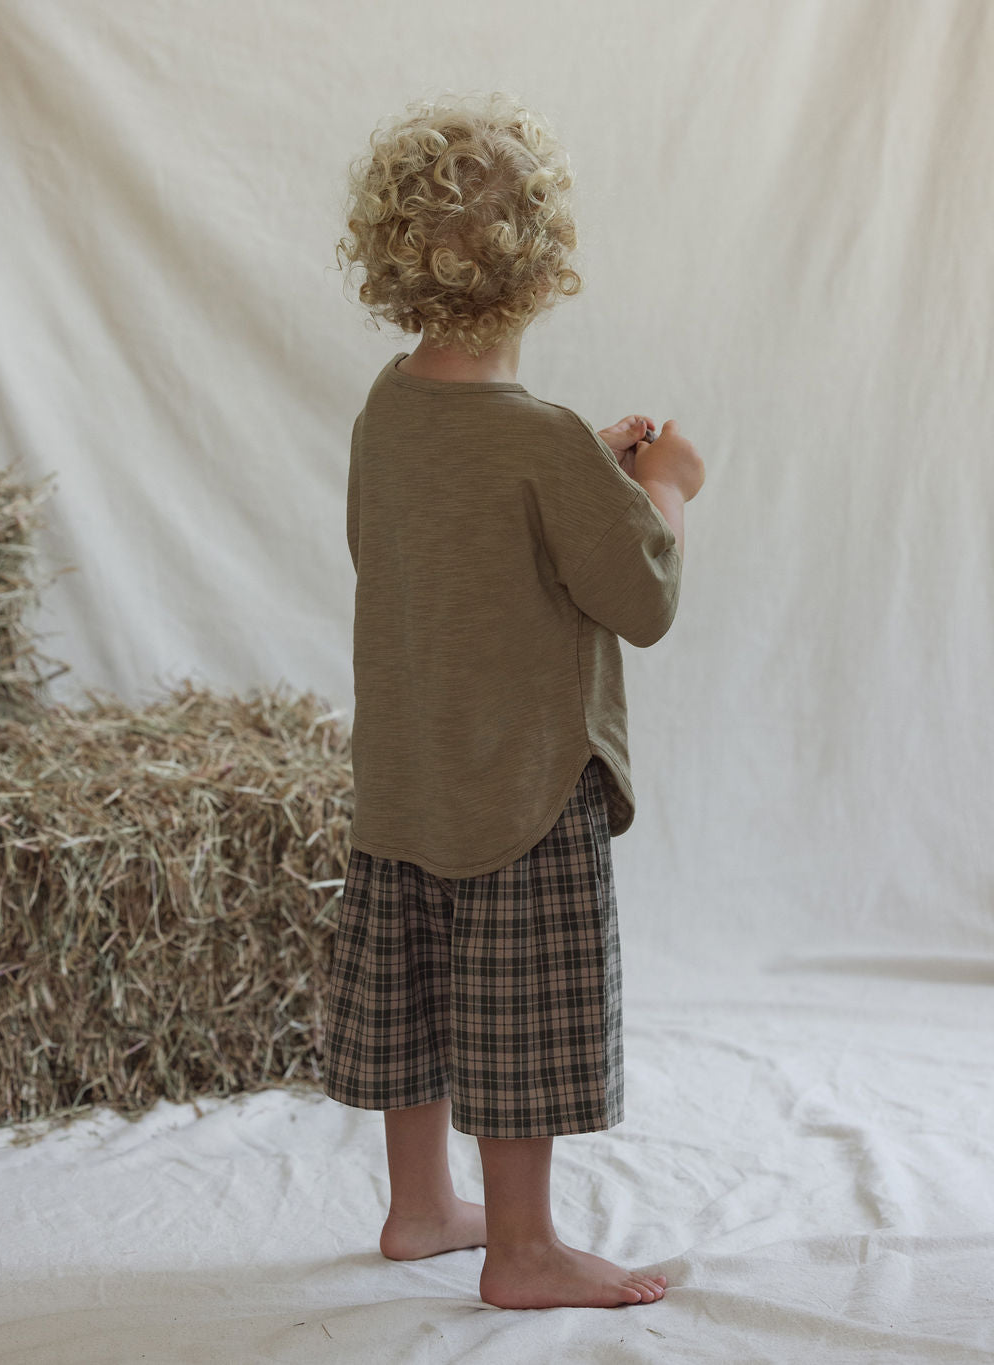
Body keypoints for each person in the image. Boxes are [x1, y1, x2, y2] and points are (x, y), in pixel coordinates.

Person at [321, 90, 706, 1310]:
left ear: (388, 261)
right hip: (521, 786)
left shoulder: (389, 406)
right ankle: (525, 1251)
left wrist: (575, 469)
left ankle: (421, 1205)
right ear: (542, 268)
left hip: (408, 775)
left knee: (420, 994)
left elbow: (409, 537)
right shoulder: (539, 441)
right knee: (512, 1016)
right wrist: (667, 491)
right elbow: (639, 596)